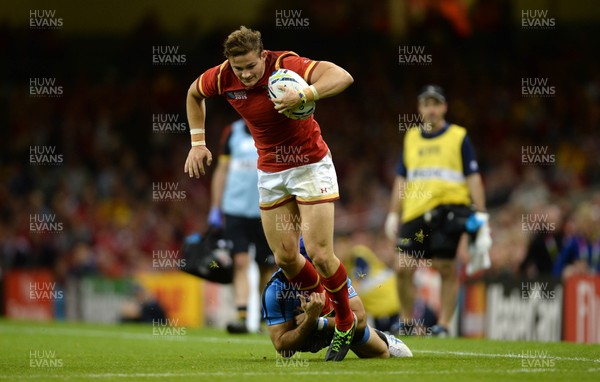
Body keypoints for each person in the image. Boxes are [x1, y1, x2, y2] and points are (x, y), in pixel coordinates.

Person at [184, 26, 356, 360]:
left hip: (310, 165)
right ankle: (319, 302)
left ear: (263, 56)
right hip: (271, 172)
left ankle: (345, 321)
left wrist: (307, 94)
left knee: (320, 254)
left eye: (251, 66)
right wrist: (197, 143)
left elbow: (343, 76)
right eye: (239, 69)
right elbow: (193, 94)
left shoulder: (286, 65)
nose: (246, 74)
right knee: (285, 257)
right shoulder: (221, 77)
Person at [384, 85, 489, 336]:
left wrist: (482, 213)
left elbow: (472, 176)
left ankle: (442, 325)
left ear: (444, 107)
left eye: (435, 104)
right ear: (420, 109)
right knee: (402, 267)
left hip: (449, 210)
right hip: (414, 212)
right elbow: (402, 179)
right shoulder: (411, 137)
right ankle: (407, 322)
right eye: (426, 104)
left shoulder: (459, 137)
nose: (431, 109)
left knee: (446, 268)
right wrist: (393, 213)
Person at [261, 239, 412, 359]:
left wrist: (318, 322)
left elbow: (359, 318)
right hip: (303, 336)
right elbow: (283, 349)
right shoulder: (275, 291)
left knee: (381, 354)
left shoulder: (330, 272)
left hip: (336, 327)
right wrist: (309, 321)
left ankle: (382, 337)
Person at [208, 118, 276, 333]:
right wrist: (215, 207)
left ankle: (266, 318)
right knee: (240, 261)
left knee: (266, 265)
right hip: (235, 210)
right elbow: (222, 170)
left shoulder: (272, 129)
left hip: (265, 209)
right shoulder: (232, 131)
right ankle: (242, 315)